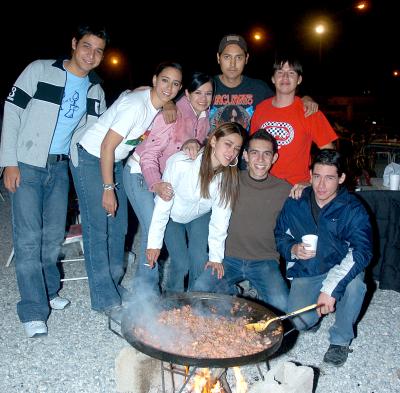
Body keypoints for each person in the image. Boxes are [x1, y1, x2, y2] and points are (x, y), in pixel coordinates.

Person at [0, 24, 109, 338]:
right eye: (87, 46)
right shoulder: (39, 71)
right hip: (28, 165)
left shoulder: (95, 90)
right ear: (74, 44)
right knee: (28, 238)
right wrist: (9, 161)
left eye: (99, 50)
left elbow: (96, 133)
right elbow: (12, 111)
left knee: (51, 237)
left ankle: (48, 290)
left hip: (60, 169)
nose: (92, 54)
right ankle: (33, 310)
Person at [69, 62, 182, 313]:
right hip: (91, 157)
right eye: (165, 80)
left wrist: (168, 101)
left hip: (114, 160)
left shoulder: (155, 102)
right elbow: (106, 146)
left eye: (175, 84)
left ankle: (113, 286)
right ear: (155, 79)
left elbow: (146, 90)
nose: (169, 87)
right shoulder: (136, 106)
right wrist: (108, 188)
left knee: (119, 227)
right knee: (98, 229)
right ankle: (104, 299)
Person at [274, 149, 372, 366]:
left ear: (341, 178)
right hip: (309, 269)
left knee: (355, 287)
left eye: (329, 178)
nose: (321, 185)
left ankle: (340, 340)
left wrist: (330, 290)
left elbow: (362, 252)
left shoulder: (352, 209)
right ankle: (316, 314)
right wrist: (292, 248)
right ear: (309, 175)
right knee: (299, 322)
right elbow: (280, 234)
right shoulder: (296, 202)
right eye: (317, 176)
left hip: (341, 268)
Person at [123, 72, 214, 293]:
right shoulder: (171, 114)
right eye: (198, 93)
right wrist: (156, 184)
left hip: (166, 178)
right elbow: (148, 156)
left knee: (173, 243)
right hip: (140, 173)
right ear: (187, 93)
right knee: (151, 231)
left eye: (208, 93)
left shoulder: (204, 116)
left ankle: (190, 299)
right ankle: (146, 297)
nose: (203, 98)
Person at [192, 130, 290, 313]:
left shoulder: (285, 189)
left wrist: (305, 186)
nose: (260, 159)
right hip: (227, 259)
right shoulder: (229, 179)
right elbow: (204, 165)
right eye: (254, 152)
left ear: (274, 157)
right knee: (198, 292)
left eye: (266, 154)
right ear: (245, 155)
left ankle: (244, 296)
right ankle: (231, 293)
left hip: (264, 261)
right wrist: (190, 144)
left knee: (282, 309)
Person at [146, 122, 246, 293]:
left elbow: (221, 219)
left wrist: (216, 258)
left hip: (200, 217)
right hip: (173, 216)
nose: (231, 152)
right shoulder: (181, 163)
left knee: (200, 260)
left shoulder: (228, 178)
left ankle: (195, 303)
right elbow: (162, 206)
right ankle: (172, 301)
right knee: (181, 262)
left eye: (236, 148)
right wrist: (154, 244)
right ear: (214, 141)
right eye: (227, 144)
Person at [162, 34, 318, 131]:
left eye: (238, 57)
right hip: (210, 161)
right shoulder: (206, 85)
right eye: (227, 57)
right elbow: (175, 98)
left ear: (247, 59)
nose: (232, 64)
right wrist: (168, 103)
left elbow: (283, 103)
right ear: (218, 58)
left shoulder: (259, 88)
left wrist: (304, 99)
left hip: (247, 166)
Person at [250, 55, 338, 195]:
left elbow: (329, 154)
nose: (285, 77)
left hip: (295, 190)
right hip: (262, 187)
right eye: (280, 72)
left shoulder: (309, 112)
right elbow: (252, 150)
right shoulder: (260, 109)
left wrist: (310, 182)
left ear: (299, 79)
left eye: (291, 73)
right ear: (273, 78)